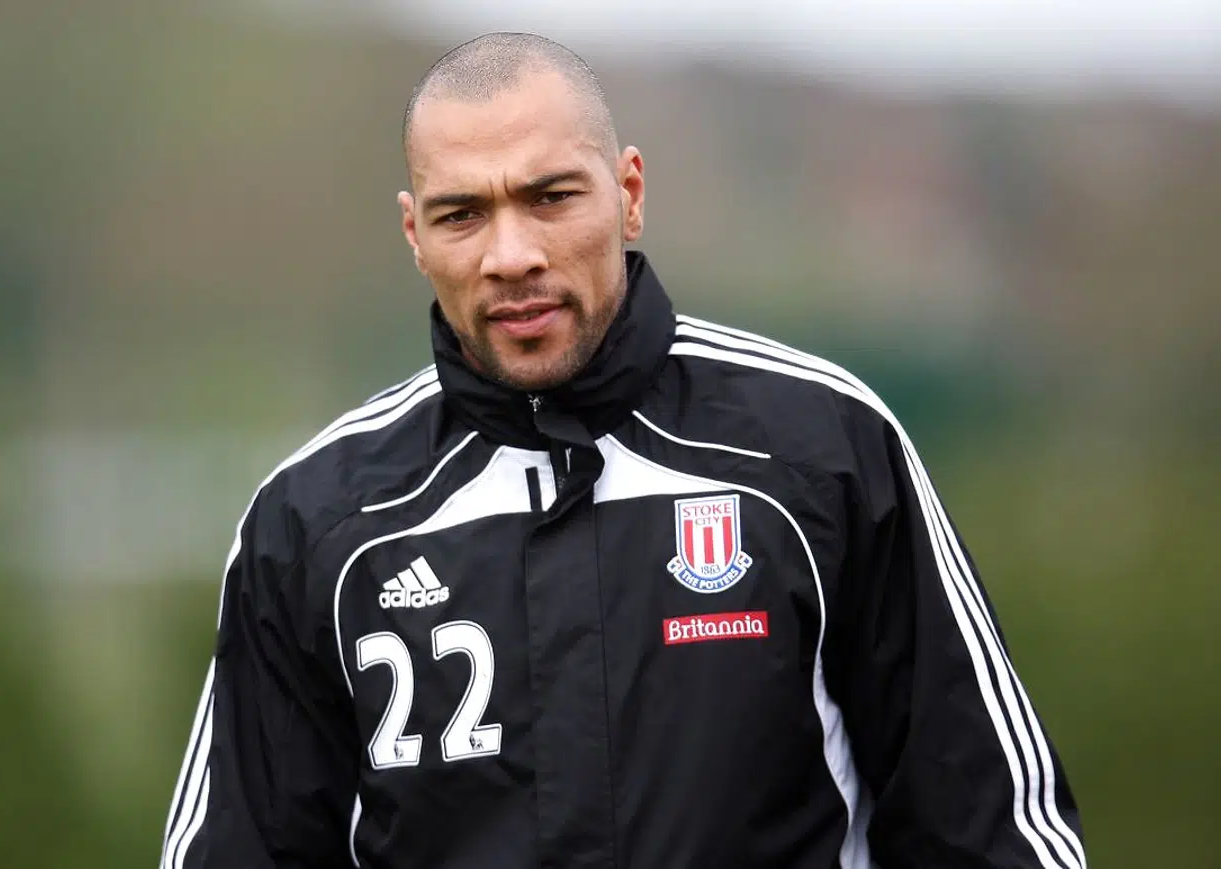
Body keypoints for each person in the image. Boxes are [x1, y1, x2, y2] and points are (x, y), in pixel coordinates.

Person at [158, 31, 1086, 869]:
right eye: (462, 214)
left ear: (628, 194)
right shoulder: (315, 521)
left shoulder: (823, 449)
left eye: (550, 197)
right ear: (415, 235)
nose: (511, 254)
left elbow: (993, 827)